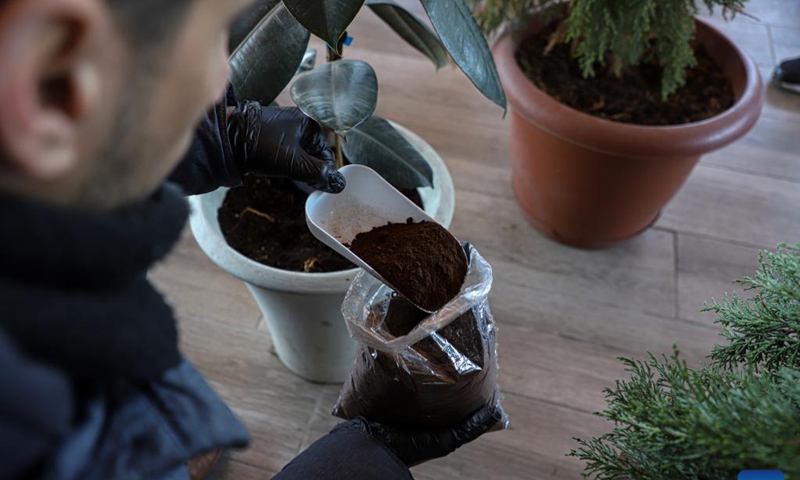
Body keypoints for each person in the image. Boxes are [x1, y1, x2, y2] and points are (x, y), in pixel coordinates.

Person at [0, 0, 502, 479]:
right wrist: (368, 456)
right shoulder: (34, 415)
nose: (226, 73)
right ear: (52, 69)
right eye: (212, 35)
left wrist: (225, 136)